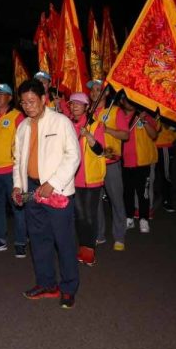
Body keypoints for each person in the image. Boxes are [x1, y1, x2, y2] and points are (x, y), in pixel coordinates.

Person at [12, 79, 80, 309]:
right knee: (39, 239)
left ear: (43, 99)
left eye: (32, 101)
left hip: (57, 192)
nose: (28, 106)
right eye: (23, 103)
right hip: (32, 191)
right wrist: (17, 186)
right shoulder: (22, 127)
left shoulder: (60, 122)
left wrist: (54, 182)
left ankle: (69, 288)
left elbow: (73, 156)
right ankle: (47, 284)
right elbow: (17, 161)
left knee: (64, 241)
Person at [0, 83, 27, 257]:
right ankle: (0, 239)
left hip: (11, 171)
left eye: (1, 94)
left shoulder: (18, 117)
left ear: (10, 97)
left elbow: (23, 144)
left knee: (17, 207)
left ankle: (20, 241)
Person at [90, 81, 130, 251]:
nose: (94, 92)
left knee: (116, 200)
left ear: (106, 93)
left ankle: (119, 236)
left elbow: (125, 135)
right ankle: (99, 235)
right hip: (93, 163)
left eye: (98, 89)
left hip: (111, 162)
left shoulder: (115, 111)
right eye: (92, 89)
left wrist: (107, 130)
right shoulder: (89, 112)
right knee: (95, 202)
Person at [68, 92, 106, 267]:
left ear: (87, 107)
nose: (74, 106)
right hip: (73, 179)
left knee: (89, 216)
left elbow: (100, 150)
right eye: (72, 103)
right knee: (79, 215)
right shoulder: (67, 125)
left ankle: (89, 250)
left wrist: (89, 136)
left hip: (91, 178)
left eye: (78, 103)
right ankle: (82, 247)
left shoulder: (96, 125)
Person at [119, 96, 158, 234]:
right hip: (125, 162)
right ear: (122, 101)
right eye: (126, 100)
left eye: (131, 99)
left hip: (143, 162)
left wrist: (144, 120)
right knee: (127, 192)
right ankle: (129, 218)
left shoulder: (145, 115)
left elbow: (154, 135)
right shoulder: (119, 115)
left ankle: (143, 219)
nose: (129, 102)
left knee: (143, 193)